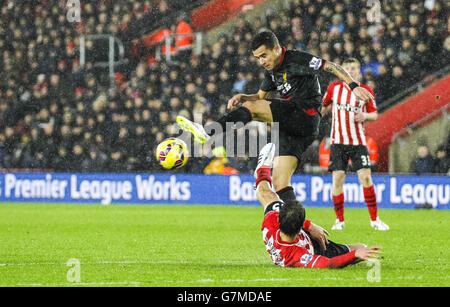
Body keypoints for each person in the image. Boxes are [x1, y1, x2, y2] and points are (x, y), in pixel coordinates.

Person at [176, 30, 374, 205]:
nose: (262, 61)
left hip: (305, 113)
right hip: (294, 127)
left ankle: (208, 132)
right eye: (258, 58)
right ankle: (304, 231)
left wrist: (353, 86)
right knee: (280, 185)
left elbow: (331, 66)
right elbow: (260, 98)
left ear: (277, 48)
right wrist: (243, 97)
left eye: (264, 55)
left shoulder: (296, 59)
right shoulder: (271, 72)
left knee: (252, 109)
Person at [255, 143, 382, 268]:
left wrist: (309, 225)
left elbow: (265, 194)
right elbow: (328, 263)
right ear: (300, 229)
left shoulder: (271, 221)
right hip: (320, 250)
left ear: (279, 219)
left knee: (267, 195)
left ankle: (261, 170)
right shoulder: (297, 255)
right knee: (362, 248)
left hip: (296, 234)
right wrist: (355, 254)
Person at [321, 57, 389, 231]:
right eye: (347, 68)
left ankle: (374, 220)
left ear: (359, 71)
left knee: (366, 178)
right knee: (337, 180)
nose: (350, 71)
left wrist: (364, 116)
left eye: (354, 68)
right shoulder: (334, 88)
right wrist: (316, 118)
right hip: (338, 143)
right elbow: (323, 105)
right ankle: (339, 220)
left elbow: (374, 114)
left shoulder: (366, 91)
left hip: (358, 143)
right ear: (342, 71)